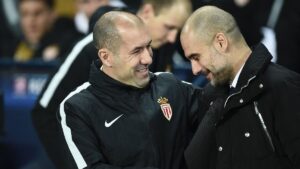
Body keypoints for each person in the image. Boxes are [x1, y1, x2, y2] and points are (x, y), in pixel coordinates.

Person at [32, 0, 192, 168]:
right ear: (147, 12)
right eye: (168, 27)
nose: (173, 37)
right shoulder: (89, 47)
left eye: (177, 30)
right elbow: (43, 111)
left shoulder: (163, 45)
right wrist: (77, 162)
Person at [180, 5, 300, 169]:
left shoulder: (283, 86)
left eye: (196, 57)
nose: (194, 70)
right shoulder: (210, 97)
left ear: (221, 42)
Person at [9, 0, 82, 62]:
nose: (31, 21)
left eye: (37, 13)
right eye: (25, 14)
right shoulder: (12, 47)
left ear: (52, 15)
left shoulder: (71, 44)